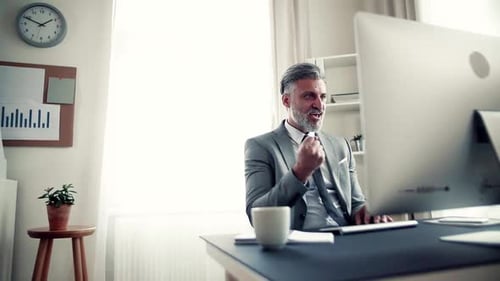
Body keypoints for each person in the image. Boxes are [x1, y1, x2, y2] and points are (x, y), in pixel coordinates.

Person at [244, 62, 391, 231]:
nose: (320, 106)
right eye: (309, 96)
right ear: (286, 100)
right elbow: (256, 214)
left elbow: (357, 203)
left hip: (348, 236)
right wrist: (300, 172)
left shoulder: (340, 145)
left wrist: (366, 211)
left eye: (322, 97)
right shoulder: (261, 147)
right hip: (302, 243)